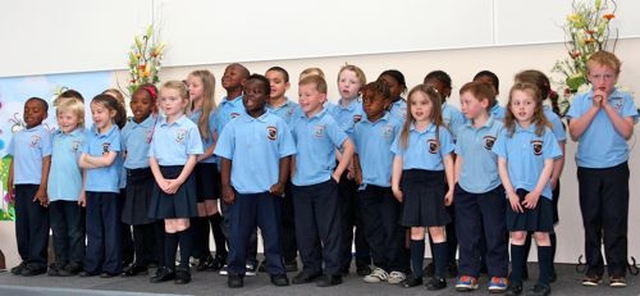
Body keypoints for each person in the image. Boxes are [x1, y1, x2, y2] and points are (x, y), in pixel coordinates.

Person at [215, 74, 296, 288]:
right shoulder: (233, 126)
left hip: (269, 191)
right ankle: (236, 271)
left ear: (267, 96)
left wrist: (281, 183)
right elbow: (225, 158)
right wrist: (226, 186)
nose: (250, 95)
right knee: (239, 235)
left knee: (273, 235)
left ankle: (276, 271)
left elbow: (286, 156)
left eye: (256, 91)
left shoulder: (277, 124)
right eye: (247, 92)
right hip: (241, 192)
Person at [566, 51, 638, 288]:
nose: (602, 81)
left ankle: (617, 270)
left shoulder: (624, 100)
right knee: (592, 219)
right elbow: (575, 132)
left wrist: (606, 106)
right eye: (597, 76)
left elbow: (626, 131)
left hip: (615, 168)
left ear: (616, 77)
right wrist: (594, 107)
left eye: (608, 76)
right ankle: (593, 268)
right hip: (588, 168)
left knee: (615, 219)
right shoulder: (580, 101)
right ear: (589, 77)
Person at [493, 82, 562, 296]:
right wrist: (510, 192)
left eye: (527, 102)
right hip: (515, 193)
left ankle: (543, 280)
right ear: (510, 107)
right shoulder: (506, 132)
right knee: (518, 235)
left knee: (541, 235)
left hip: (539, 192)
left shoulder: (545, 132)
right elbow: (501, 164)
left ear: (536, 106)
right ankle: (515, 280)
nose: (522, 107)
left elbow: (549, 165)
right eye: (517, 103)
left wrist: (537, 192)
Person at [290, 75, 354, 287]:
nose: (303, 99)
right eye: (300, 95)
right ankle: (311, 268)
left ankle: (333, 271)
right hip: (300, 185)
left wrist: (337, 175)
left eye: (308, 95)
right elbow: (291, 151)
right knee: (305, 230)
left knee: (329, 229)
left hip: (323, 184)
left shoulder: (327, 121)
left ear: (322, 97)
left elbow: (348, 147)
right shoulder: (296, 120)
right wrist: (291, 175)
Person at [391, 84, 455, 291]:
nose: (418, 108)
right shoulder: (405, 131)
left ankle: (439, 275)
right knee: (416, 230)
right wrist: (395, 184)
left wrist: (451, 187)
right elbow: (398, 159)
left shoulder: (440, 131)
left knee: (436, 230)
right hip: (411, 182)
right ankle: (416, 273)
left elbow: (448, 161)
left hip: (433, 184)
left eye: (424, 103)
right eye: (414, 103)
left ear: (434, 106)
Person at [453, 81, 508, 293]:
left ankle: (498, 274)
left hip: (492, 188)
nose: (463, 107)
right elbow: (459, 158)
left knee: (495, 234)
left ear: (484, 102)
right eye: (461, 103)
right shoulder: (463, 130)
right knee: (467, 234)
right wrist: (456, 184)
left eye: (467, 102)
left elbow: (504, 160)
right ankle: (468, 273)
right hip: (466, 190)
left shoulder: (500, 128)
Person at [147, 81, 203, 285]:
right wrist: (160, 180)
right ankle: (168, 266)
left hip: (182, 176)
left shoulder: (189, 127)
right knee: (168, 224)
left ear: (184, 101)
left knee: (182, 222)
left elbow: (193, 156)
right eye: (163, 99)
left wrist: (179, 180)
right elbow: (152, 156)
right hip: (162, 176)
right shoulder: (158, 125)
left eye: (172, 99)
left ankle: (184, 267)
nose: (167, 103)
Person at [353, 80, 408, 285]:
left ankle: (398, 267)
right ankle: (381, 265)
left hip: (388, 185)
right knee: (373, 228)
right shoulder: (359, 127)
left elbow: (400, 155)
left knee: (392, 227)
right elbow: (356, 153)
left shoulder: (395, 124)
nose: (367, 104)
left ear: (386, 103)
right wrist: (358, 172)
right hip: (368, 185)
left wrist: (396, 180)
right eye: (364, 99)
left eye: (372, 100)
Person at [515, 70, 567, 283]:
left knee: (543, 227)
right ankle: (520, 270)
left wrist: (553, 178)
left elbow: (559, 152)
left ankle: (548, 270)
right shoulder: (515, 122)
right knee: (521, 228)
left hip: (545, 182)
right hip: (521, 182)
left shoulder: (551, 119)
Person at [214, 63, 259, 276]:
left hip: (244, 171)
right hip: (223, 171)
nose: (226, 76)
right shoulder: (219, 108)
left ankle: (249, 258)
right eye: (224, 72)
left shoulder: (247, 106)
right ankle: (235, 257)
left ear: (243, 82)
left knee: (246, 216)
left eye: (232, 73)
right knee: (229, 217)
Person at [327, 64, 371, 276]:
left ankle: (363, 262)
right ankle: (342, 262)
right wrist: (345, 163)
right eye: (343, 80)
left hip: (362, 167)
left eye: (352, 82)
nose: (347, 85)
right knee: (341, 218)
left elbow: (364, 140)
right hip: (340, 167)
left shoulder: (363, 109)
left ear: (360, 87)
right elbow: (331, 141)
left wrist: (356, 165)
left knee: (362, 217)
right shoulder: (331, 111)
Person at [78, 94, 127, 278]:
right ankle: (93, 265)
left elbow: (109, 161)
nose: (96, 116)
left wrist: (90, 159)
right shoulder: (90, 133)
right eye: (93, 112)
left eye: (100, 112)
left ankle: (112, 266)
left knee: (111, 229)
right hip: (92, 188)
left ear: (112, 112)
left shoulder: (115, 134)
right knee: (94, 230)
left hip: (109, 189)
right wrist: (95, 161)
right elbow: (81, 163)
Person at [423, 70, 463, 278]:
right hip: (429, 175)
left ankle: (449, 261)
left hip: (447, 174)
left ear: (447, 91)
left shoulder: (453, 114)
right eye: (427, 88)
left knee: (449, 221)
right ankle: (438, 260)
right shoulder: (422, 114)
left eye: (436, 88)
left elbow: (457, 147)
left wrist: (452, 179)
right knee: (432, 220)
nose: (431, 92)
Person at [186, 70, 227, 272]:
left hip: (207, 167)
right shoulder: (186, 113)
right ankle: (203, 254)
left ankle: (222, 252)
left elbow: (218, 142)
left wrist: (198, 157)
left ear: (206, 88)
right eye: (188, 85)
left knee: (211, 210)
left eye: (194, 85)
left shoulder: (212, 113)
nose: (190, 89)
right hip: (192, 168)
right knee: (198, 211)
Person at [7, 97, 52, 277]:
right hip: (21, 185)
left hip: (35, 185)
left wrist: (43, 187)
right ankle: (26, 258)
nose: (29, 113)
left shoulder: (43, 134)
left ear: (45, 114)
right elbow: (13, 159)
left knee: (37, 224)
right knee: (22, 224)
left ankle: (38, 261)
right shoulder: (18, 135)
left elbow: (47, 160)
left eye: (35, 110)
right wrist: (10, 182)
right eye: (27, 109)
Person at [120, 84, 161, 277]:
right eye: (135, 102)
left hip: (151, 176)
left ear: (153, 104)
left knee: (153, 220)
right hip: (133, 177)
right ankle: (141, 260)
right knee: (137, 220)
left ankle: (158, 258)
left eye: (144, 102)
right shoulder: (127, 127)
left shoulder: (156, 123)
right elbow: (122, 151)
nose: (138, 106)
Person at [265, 66, 300, 272]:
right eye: (268, 80)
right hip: (264, 171)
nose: (272, 85)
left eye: (277, 81)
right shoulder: (259, 109)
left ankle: (288, 257)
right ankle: (272, 256)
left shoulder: (295, 110)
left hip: (287, 170)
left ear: (286, 86)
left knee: (287, 217)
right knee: (268, 217)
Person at [47, 95, 86, 277]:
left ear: (79, 118)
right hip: (55, 192)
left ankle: (76, 261)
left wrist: (84, 191)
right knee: (58, 230)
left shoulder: (84, 137)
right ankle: (61, 261)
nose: (64, 121)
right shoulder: (55, 138)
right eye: (61, 117)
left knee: (75, 230)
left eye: (69, 117)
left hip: (74, 192)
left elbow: (85, 168)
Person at [102, 88, 135, 267]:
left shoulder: (129, 127)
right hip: (107, 183)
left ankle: (131, 256)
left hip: (126, 180)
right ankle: (117, 257)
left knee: (128, 220)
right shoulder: (98, 131)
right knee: (113, 223)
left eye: (113, 101)